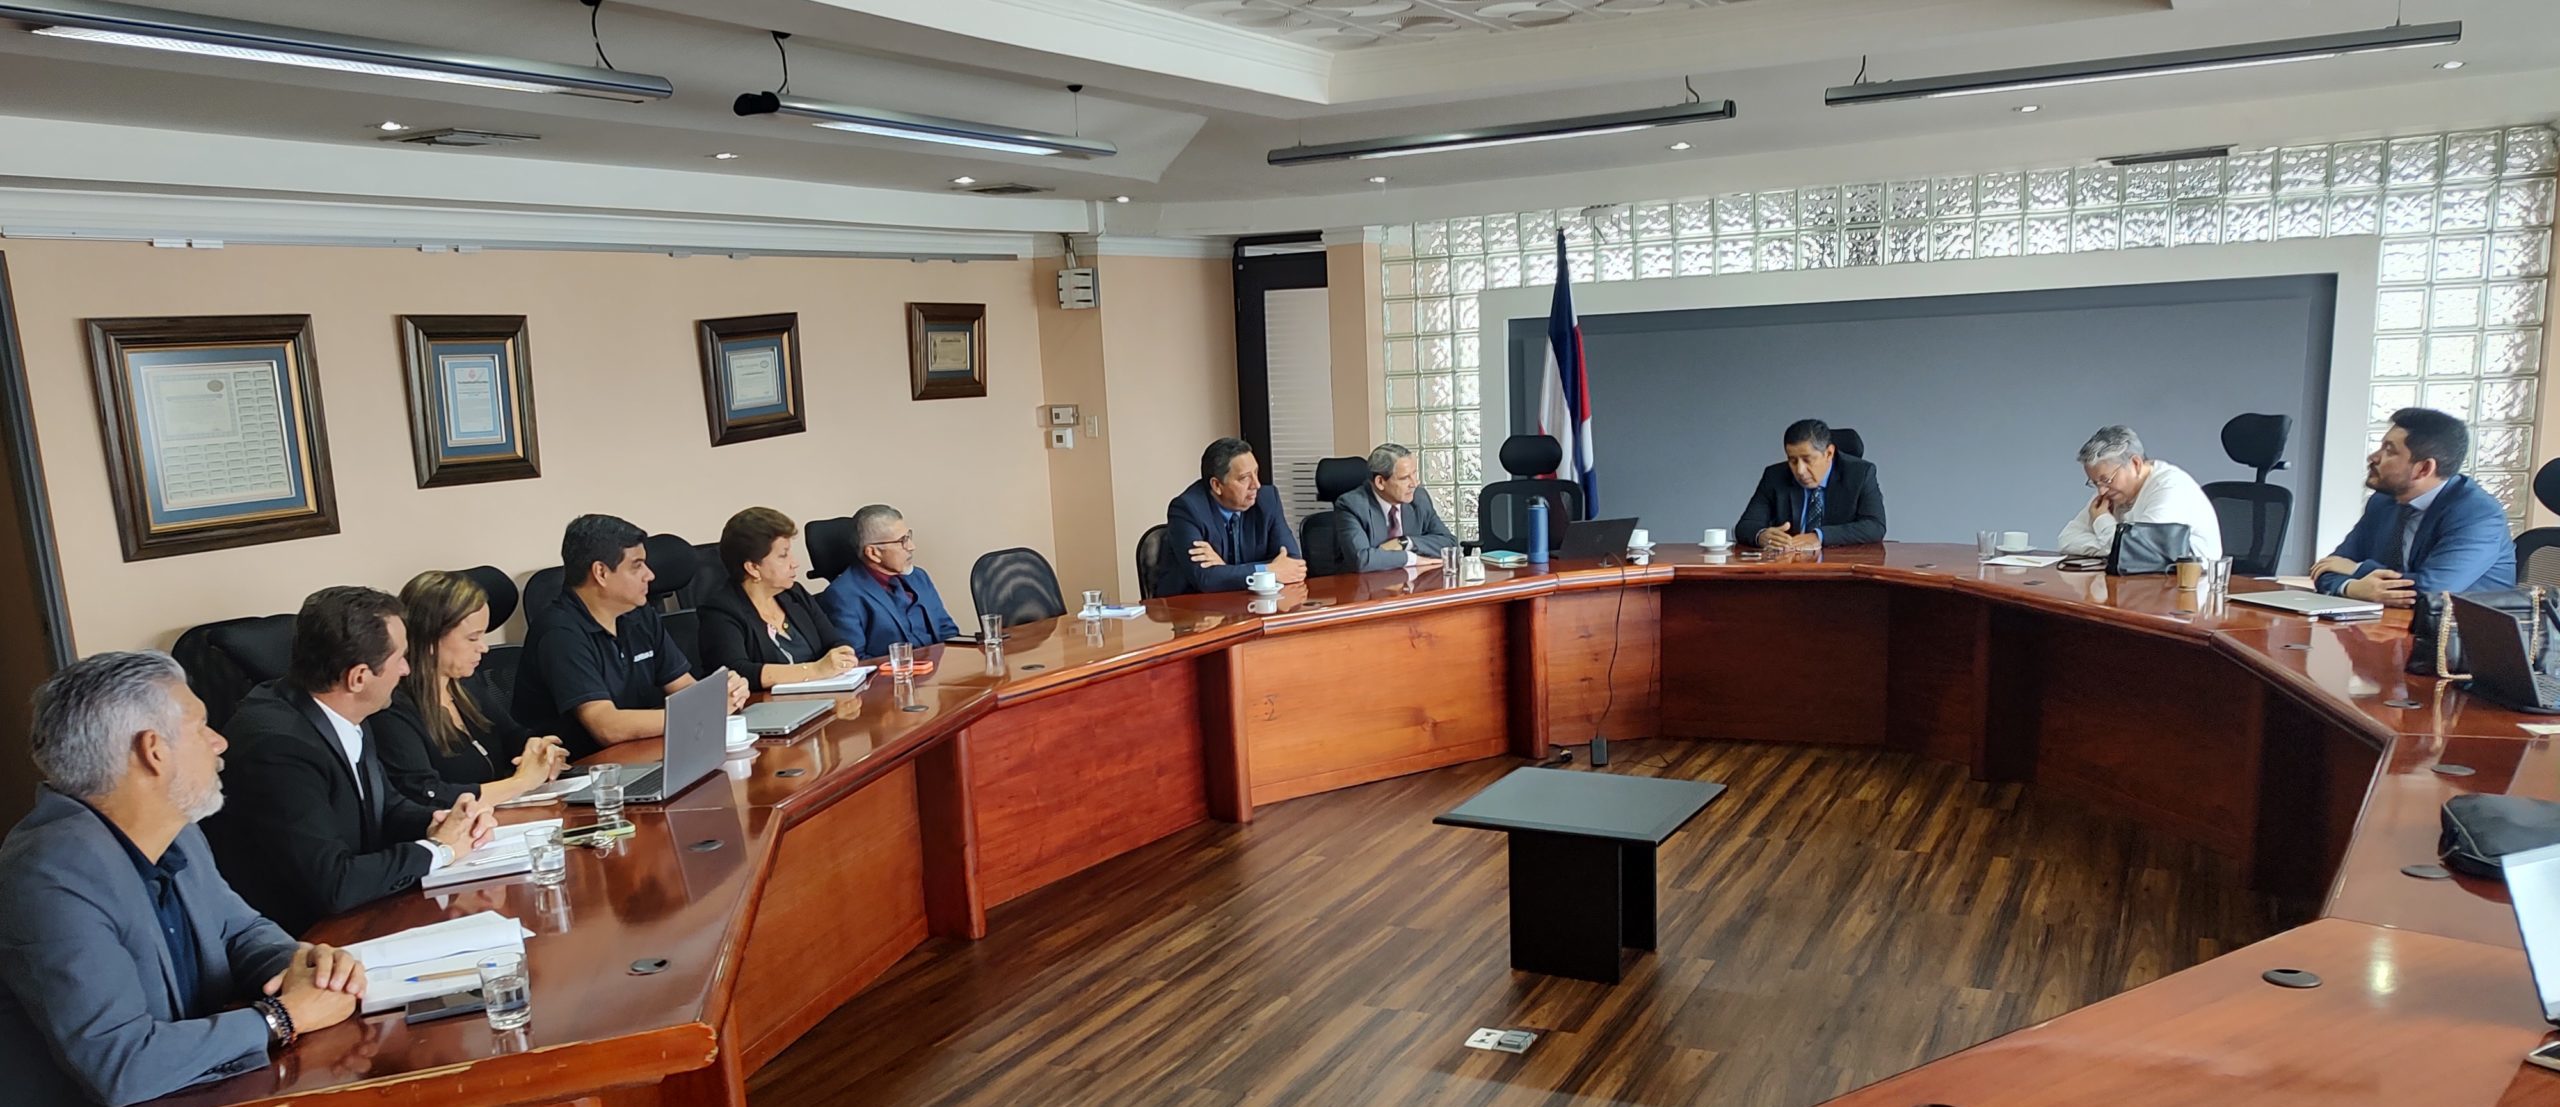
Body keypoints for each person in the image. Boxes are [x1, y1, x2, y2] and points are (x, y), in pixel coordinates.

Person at [0, 651, 369, 1107]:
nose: (220, 743)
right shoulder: (49, 875)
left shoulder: (177, 832)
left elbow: (239, 932)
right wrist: (281, 1017)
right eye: (201, 727)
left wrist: (305, 966)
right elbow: (122, 1065)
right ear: (153, 751)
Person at [202, 586, 495, 936]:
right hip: (303, 938)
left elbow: (384, 808)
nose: (406, 669)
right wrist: (439, 850)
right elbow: (334, 884)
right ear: (358, 678)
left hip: (361, 913)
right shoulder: (277, 748)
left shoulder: (343, 709)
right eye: (400, 659)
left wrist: (442, 822)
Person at [515, 514, 748, 759]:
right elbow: (607, 727)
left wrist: (721, 693)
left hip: (643, 754)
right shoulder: (560, 633)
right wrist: (704, 711)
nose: (650, 575)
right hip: (586, 770)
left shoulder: (639, 614)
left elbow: (683, 687)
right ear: (601, 572)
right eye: (637, 566)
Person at [373, 570, 567, 809]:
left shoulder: (465, 684)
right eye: (472, 639)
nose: (484, 648)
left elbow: (511, 735)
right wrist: (521, 782)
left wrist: (539, 751)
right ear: (431, 640)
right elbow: (426, 794)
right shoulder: (392, 710)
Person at [2313, 407, 2514, 607]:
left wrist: (2357, 569)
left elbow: (2433, 590)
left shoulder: (2478, 514)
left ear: (2424, 468)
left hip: (2458, 625)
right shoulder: (2382, 502)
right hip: (2390, 620)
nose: (2373, 457)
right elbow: (2327, 568)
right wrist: (2351, 588)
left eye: (2389, 451)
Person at [700, 507, 861, 689]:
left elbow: (834, 641)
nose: (794, 563)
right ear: (753, 568)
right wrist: (814, 670)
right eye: (783, 556)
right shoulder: (720, 611)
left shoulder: (794, 593)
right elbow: (736, 672)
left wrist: (843, 655)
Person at [1157, 437, 1306, 596]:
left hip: (1250, 602)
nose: (1256, 485)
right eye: (1244, 478)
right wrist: (1269, 570)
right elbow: (1206, 579)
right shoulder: (1187, 509)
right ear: (1217, 485)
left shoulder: (1267, 499)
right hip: (1192, 605)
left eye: (1256, 473)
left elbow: (1293, 563)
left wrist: (1225, 570)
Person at [2055, 425, 2225, 562]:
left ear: (2135, 464)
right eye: (2095, 483)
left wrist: (2102, 521)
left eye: (2107, 480)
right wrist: (2112, 548)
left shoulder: (2169, 488)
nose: (2101, 491)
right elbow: (2067, 539)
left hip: (2192, 585)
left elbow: (2136, 552)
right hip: (2141, 582)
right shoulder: (2110, 492)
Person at [817, 504, 964, 659]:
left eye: (909, 537)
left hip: (940, 669)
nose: (911, 546)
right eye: (902, 541)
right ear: (873, 553)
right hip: (895, 672)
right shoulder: (842, 596)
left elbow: (947, 631)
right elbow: (855, 661)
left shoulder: (919, 577)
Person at [1734, 419, 1887, 550]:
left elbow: (1875, 526)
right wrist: (1762, 536)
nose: (1800, 470)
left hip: (1840, 564)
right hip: (1789, 565)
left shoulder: (1860, 474)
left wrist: (1819, 536)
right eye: (1793, 460)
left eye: (1807, 460)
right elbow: (1746, 526)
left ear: (1829, 453)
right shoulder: (1775, 476)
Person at [1332, 443, 1458, 573]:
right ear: (1380, 482)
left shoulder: (1419, 498)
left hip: (1411, 581)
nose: (1414, 483)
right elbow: (1362, 560)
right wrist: (1411, 559)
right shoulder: (1352, 505)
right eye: (1405, 478)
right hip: (1365, 584)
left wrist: (1405, 542)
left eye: (1414, 474)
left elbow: (1450, 544)